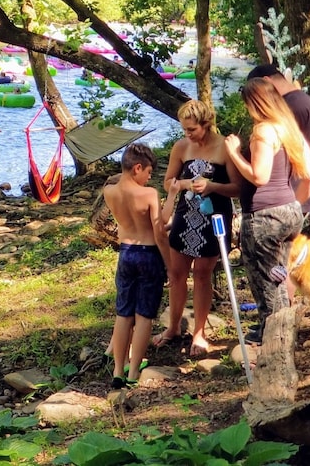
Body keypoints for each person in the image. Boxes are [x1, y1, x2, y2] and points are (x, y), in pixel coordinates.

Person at [224, 77, 310, 345]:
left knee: (265, 281)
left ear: (255, 104)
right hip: (288, 212)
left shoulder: (263, 131)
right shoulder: (288, 128)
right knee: (279, 277)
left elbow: (259, 176)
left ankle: (274, 340)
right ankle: (280, 333)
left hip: (264, 217)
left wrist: (234, 153)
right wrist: (295, 206)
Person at [152, 100, 241, 356]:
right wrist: (183, 184)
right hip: (185, 214)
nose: (187, 134)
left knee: (202, 273)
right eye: (184, 129)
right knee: (177, 273)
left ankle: (199, 332)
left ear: (206, 124)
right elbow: (168, 180)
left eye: (191, 129)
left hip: (214, 216)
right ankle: (173, 328)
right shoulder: (181, 147)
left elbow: (237, 188)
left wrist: (212, 187)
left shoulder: (224, 147)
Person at [102, 143, 169, 388]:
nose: (149, 178)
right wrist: (169, 264)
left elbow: (120, 180)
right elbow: (159, 232)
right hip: (148, 254)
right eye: (148, 172)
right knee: (144, 316)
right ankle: (132, 374)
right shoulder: (149, 194)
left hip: (126, 253)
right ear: (137, 168)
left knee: (123, 313)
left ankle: (118, 370)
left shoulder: (109, 191)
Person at [246, 63, 310, 164]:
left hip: (295, 176)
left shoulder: (292, 106)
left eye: (256, 93)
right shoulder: (298, 99)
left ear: (266, 81)